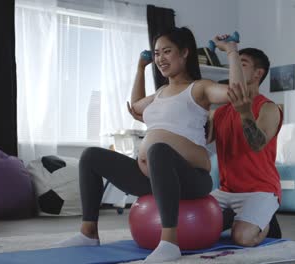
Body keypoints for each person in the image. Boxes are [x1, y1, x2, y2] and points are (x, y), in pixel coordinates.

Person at [55, 27, 245, 263]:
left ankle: (169, 242)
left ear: (185, 53)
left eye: (167, 51)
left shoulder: (199, 88)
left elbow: (236, 92)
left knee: (158, 149)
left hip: (190, 178)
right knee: (91, 156)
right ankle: (88, 232)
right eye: (156, 54)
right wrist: (139, 68)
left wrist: (232, 51)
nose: (160, 59)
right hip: (151, 177)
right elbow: (135, 107)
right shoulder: (160, 93)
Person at [207, 48, 283, 247]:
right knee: (192, 231)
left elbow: (257, 144)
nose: (234, 68)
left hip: (260, 190)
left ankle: (267, 223)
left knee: (243, 238)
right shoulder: (220, 112)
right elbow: (200, 140)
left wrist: (245, 113)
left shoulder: (269, 108)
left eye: (242, 64)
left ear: (258, 73)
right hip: (225, 191)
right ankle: (238, 217)